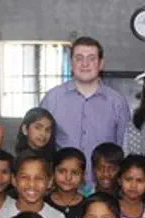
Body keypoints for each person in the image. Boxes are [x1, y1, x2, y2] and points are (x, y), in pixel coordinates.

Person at [40, 36, 130, 180]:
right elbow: (40, 146)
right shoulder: (52, 99)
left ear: (101, 64)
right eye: (79, 58)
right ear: (71, 63)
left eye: (91, 58)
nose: (85, 64)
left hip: (103, 187)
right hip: (62, 186)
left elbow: (124, 148)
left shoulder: (117, 102)